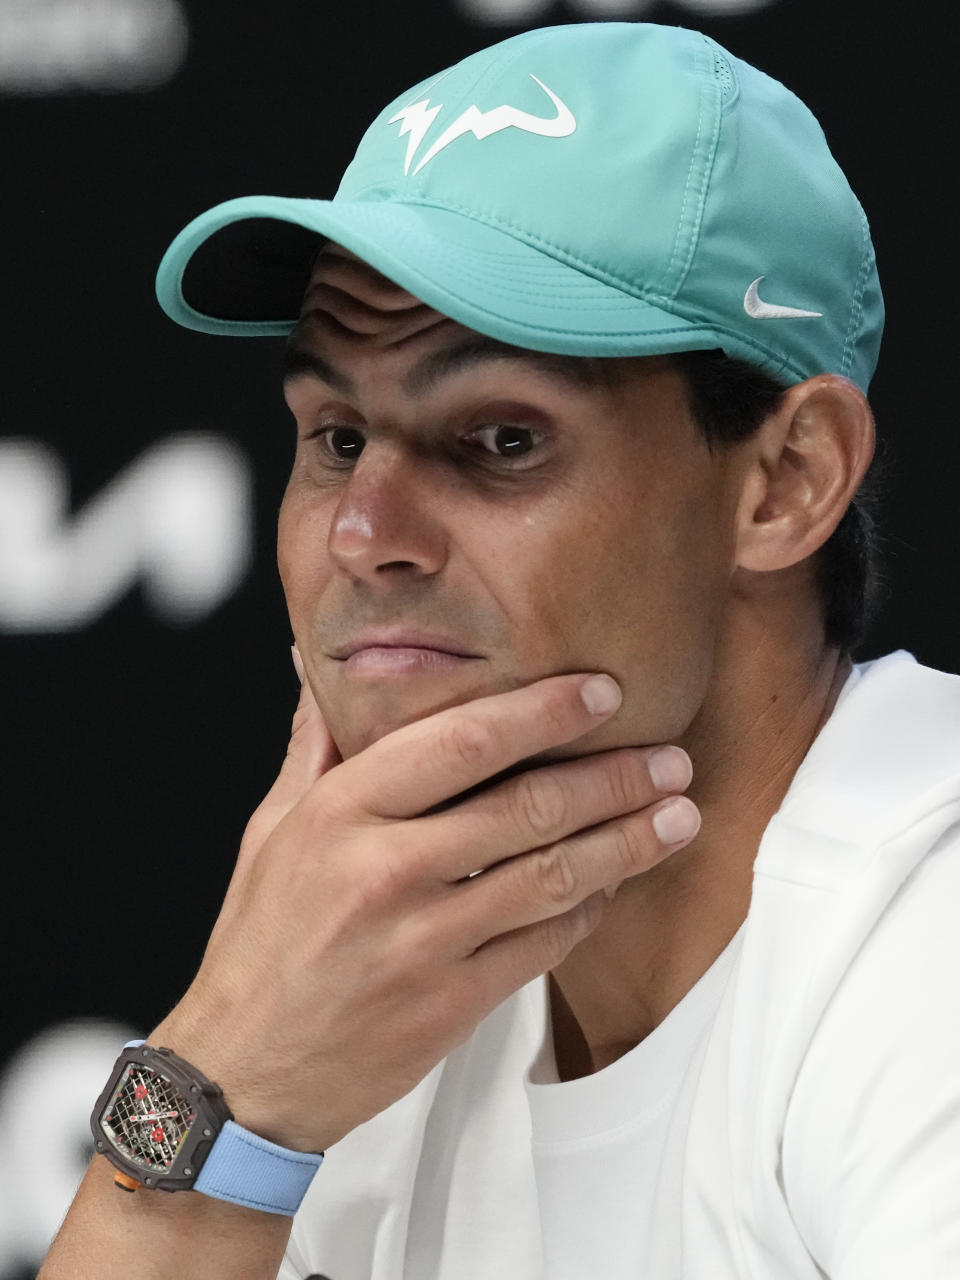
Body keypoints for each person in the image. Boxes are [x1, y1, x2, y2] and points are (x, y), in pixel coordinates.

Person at [40, 20, 960, 1280]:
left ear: (784, 483)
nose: (364, 536)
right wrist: (226, 1081)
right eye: (338, 437)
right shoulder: (381, 988)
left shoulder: (930, 933)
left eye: (502, 440)